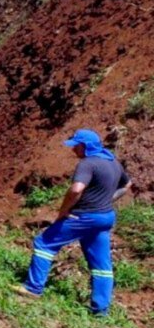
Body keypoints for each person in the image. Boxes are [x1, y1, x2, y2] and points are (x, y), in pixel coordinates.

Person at [15, 129, 132, 315]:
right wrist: (108, 200)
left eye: (76, 146)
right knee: (102, 265)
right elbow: (127, 185)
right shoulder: (113, 163)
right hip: (105, 218)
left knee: (44, 243)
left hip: (84, 217)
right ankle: (101, 310)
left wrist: (63, 211)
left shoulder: (88, 163)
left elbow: (76, 189)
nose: (73, 150)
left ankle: (32, 288)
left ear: (85, 146)